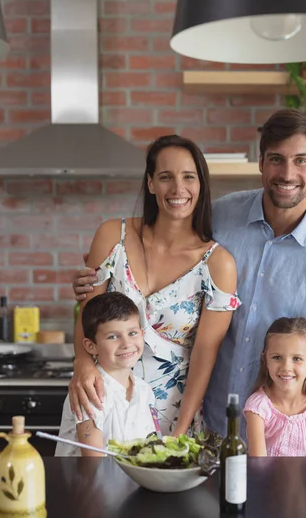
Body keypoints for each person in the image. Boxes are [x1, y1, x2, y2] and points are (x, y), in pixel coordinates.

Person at [71, 109, 306, 455]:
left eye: (300, 160)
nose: (287, 173)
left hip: (281, 447)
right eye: (276, 159)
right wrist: (91, 283)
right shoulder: (222, 217)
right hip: (210, 431)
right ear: (261, 163)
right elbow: (168, 234)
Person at [69, 134, 240, 436]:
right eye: (165, 177)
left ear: (201, 184)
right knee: (90, 483)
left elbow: (204, 356)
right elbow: (88, 313)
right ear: (150, 184)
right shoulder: (112, 237)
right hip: (100, 404)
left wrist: (180, 431)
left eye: (189, 177)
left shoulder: (218, 265)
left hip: (171, 417)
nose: (178, 189)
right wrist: (82, 364)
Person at [55, 292, 156, 456]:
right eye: (113, 336)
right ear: (90, 346)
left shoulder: (145, 391)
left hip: (128, 481)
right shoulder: (91, 391)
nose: (126, 344)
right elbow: (93, 463)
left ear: (142, 334)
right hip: (90, 480)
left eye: (132, 333)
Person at [244, 317, 306, 456]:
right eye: (277, 357)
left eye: (297, 359)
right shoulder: (258, 407)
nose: (286, 367)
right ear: (265, 360)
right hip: (266, 478)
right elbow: (259, 465)